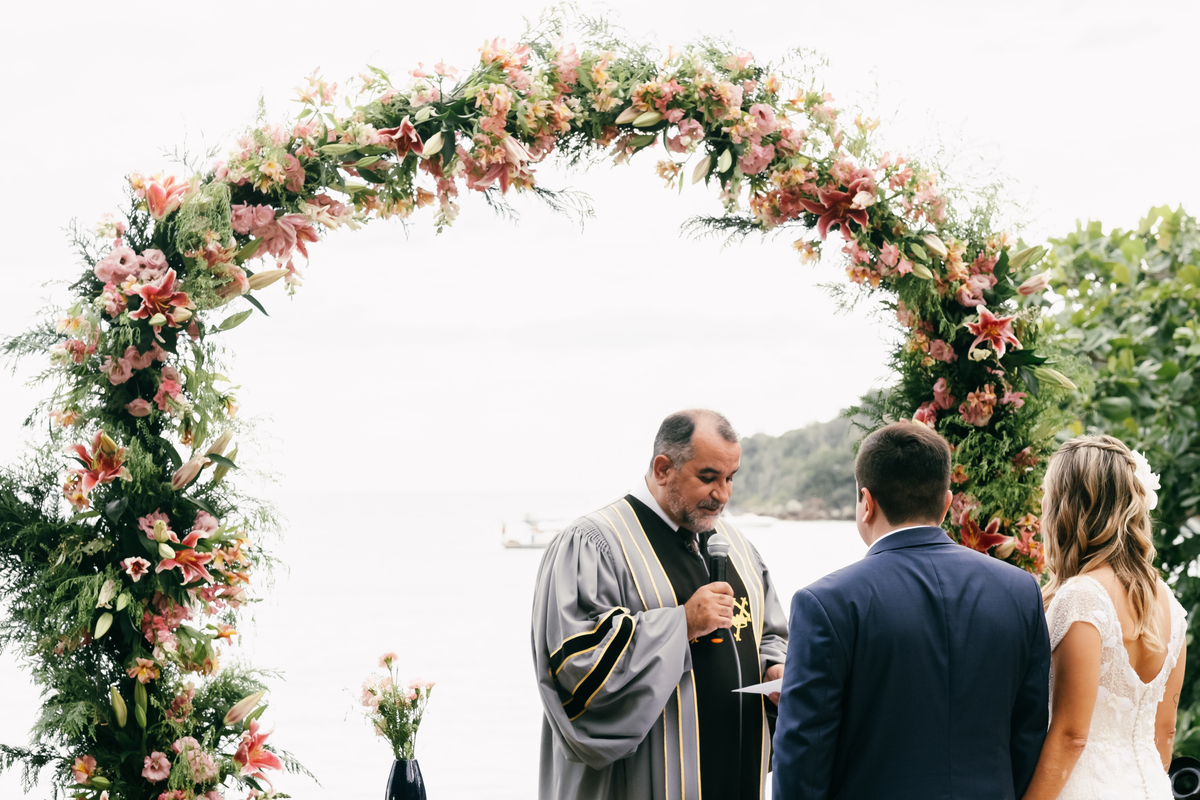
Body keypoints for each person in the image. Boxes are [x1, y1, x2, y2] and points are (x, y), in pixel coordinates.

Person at [772, 421, 1051, 800]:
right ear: (947, 502)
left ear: (866, 502)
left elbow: (803, 756)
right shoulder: (1020, 591)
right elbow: (1029, 734)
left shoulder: (825, 603)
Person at [531, 409, 788, 800]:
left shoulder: (738, 547)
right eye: (708, 477)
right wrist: (682, 623)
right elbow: (576, 667)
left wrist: (774, 666)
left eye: (730, 478)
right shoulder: (595, 543)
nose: (723, 495)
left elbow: (770, 632)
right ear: (664, 467)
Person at [1021, 435, 1187, 800]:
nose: (1044, 504)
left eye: (1048, 495)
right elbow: (1165, 732)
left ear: (1071, 506)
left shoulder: (1082, 596)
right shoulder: (1169, 603)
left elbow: (1071, 735)